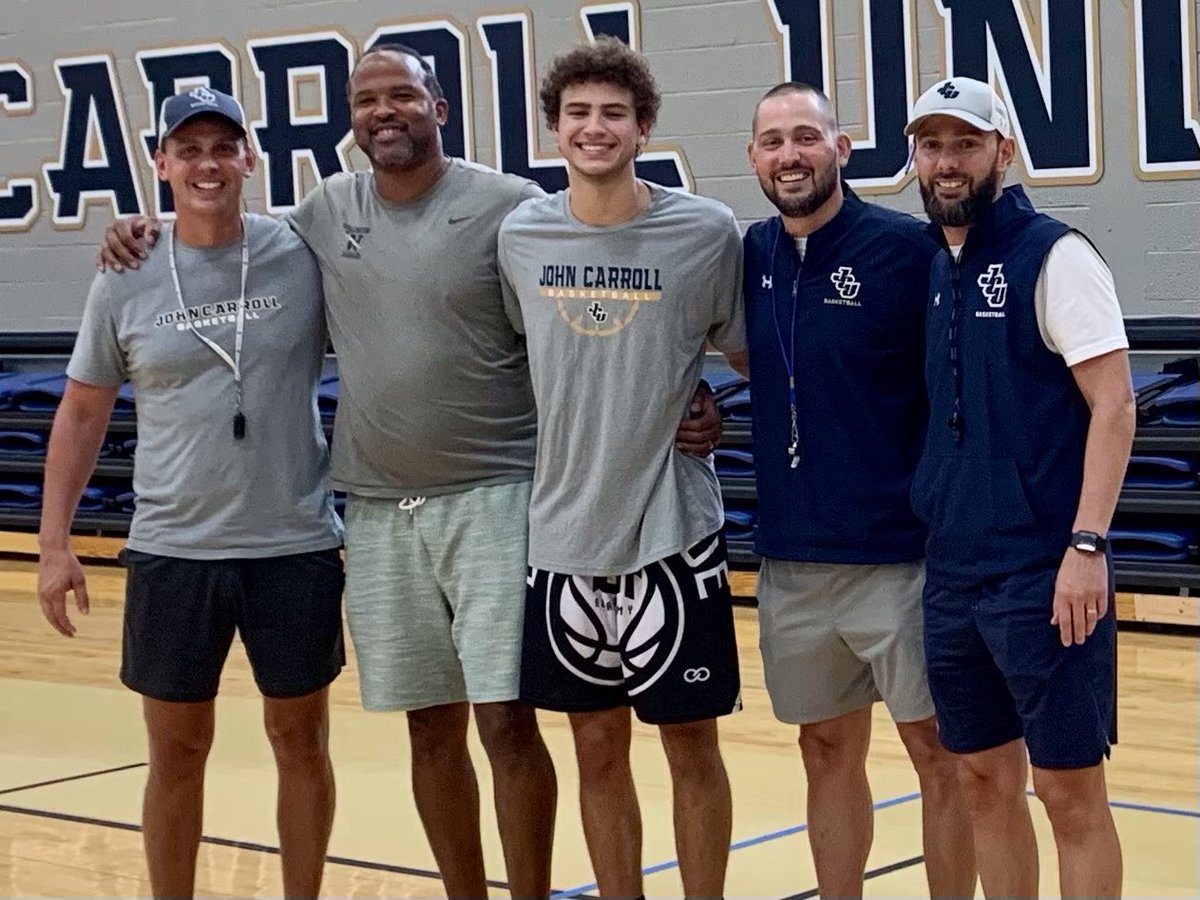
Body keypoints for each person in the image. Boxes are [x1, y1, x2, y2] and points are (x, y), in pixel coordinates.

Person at [96, 44, 721, 899]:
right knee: (431, 727)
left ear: (440, 109)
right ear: (351, 119)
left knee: (507, 723)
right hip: (381, 510)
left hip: (497, 497)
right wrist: (143, 226)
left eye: (402, 95)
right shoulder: (321, 213)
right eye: (366, 99)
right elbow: (217, 224)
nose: (383, 110)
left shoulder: (511, 210)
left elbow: (589, 314)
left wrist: (683, 401)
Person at [38, 88, 345, 899]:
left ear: (249, 159)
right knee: (176, 750)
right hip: (174, 549)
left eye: (223, 148)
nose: (207, 164)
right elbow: (80, 410)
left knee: (302, 740)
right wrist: (54, 544)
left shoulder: (300, 253)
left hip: (295, 544)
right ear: (162, 164)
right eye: (189, 150)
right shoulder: (127, 272)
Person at [497, 37, 745, 899]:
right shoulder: (519, 236)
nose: (594, 129)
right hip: (562, 535)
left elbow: (758, 356)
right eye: (577, 114)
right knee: (595, 748)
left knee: (690, 747)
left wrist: (715, 409)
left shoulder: (705, 232)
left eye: (613, 114)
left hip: (673, 529)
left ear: (644, 127)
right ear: (554, 129)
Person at [741, 82, 977, 898]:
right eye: (773, 142)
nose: (790, 155)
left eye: (807, 136)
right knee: (824, 751)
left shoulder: (907, 253)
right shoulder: (750, 256)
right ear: (754, 159)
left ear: (842, 149)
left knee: (940, 758)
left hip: (902, 563)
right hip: (793, 565)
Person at [907, 76, 1134, 898]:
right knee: (980, 785)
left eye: (964, 143)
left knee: (1070, 796)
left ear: (1004, 150)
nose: (946, 162)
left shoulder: (1056, 256)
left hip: (1044, 574)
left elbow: (1114, 405)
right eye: (931, 146)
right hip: (955, 575)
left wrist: (1086, 546)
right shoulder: (936, 266)